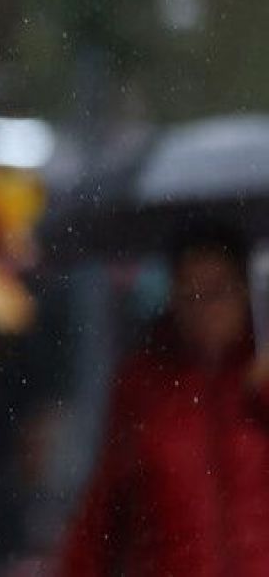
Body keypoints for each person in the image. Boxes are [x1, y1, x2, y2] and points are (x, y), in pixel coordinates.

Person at [59, 221, 269, 575]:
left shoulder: (260, 372)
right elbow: (106, 507)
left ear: (244, 291)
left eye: (218, 291)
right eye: (191, 294)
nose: (206, 310)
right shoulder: (145, 386)